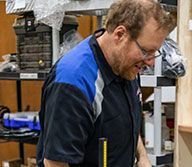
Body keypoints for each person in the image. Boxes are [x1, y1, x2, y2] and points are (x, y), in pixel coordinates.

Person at [36, 0, 176, 166]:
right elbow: (55, 163)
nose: (151, 62)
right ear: (119, 35)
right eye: (146, 51)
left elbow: (128, 118)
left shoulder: (126, 66)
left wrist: (142, 156)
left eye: (155, 53)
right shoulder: (73, 82)